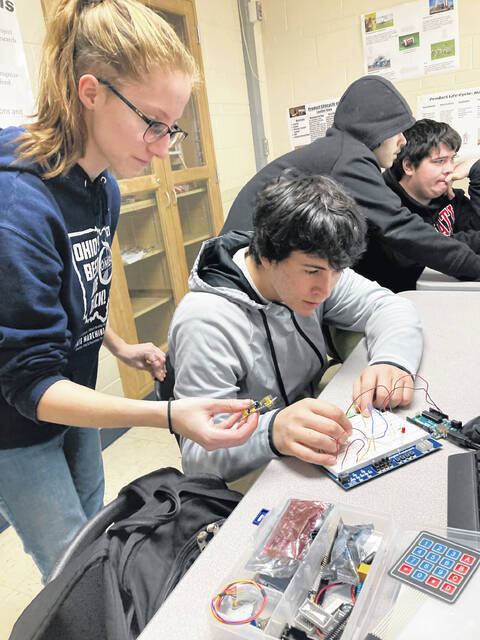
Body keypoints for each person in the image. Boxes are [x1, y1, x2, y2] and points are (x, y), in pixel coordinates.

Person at [0, 0, 258, 581]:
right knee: (70, 566)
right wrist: (166, 414)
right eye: (152, 123)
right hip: (16, 420)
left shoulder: (103, 189)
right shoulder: (17, 205)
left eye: (172, 127)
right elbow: (29, 382)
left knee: (95, 527)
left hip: (73, 392)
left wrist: (115, 345)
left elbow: (69, 286)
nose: (163, 146)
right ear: (91, 91)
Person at [168, 172, 423, 483]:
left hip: (306, 440)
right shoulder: (206, 322)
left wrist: (392, 360)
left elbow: (391, 306)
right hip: (251, 468)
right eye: (313, 271)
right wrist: (272, 432)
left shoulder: (316, 269)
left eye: (337, 270)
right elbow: (199, 458)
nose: (326, 288)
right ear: (265, 254)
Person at [221, 75, 480, 292]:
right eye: (397, 131)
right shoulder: (349, 157)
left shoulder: (339, 151)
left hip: (254, 263)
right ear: (375, 130)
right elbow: (401, 228)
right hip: (243, 270)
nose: (402, 141)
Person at [383, 118, 480, 290]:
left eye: (452, 159)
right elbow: (414, 254)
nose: (450, 168)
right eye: (440, 161)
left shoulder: (448, 196)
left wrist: (476, 171)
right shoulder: (385, 207)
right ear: (409, 166)